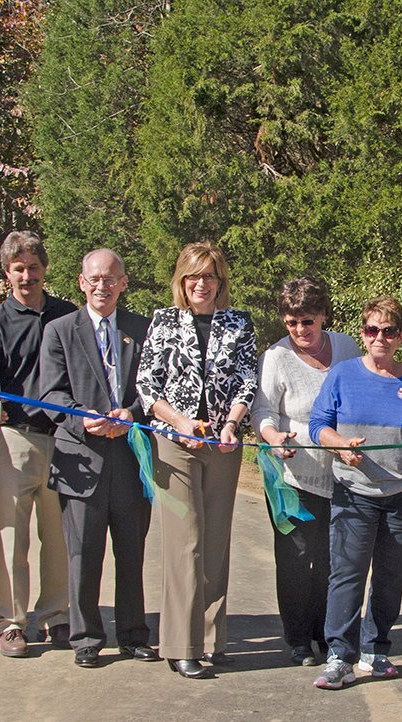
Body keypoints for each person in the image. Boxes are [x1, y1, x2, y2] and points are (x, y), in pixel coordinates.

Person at [309, 296, 402, 690]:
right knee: (347, 574)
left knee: (390, 576)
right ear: (363, 334)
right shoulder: (342, 375)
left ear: (401, 336)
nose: (380, 338)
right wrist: (339, 444)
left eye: (388, 331)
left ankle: (376, 648)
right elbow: (319, 423)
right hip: (355, 492)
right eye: (372, 330)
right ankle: (339, 655)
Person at [136, 241, 258, 679]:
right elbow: (147, 386)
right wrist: (180, 422)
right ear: (182, 282)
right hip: (176, 442)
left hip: (224, 443)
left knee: (215, 543)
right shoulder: (163, 321)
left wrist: (232, 423)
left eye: (209, 276)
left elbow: (248, 378)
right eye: (193, 276)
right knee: (184, 542)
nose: (201, 284)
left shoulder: (238, 322)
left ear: (219, 281)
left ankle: (211, 638)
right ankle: (180, 644)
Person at [39, 249, 156, 669]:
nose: (102, 286)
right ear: (81, 282)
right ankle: (86, 637)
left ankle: (133, 634)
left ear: (124, 283)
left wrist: (134, 413)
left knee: (132, 553)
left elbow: (153, 390)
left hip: (129, 458)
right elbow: (49, 393)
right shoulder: (58, 331)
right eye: (94, 278)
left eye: (110, 278)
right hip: (79, 460)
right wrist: (80, 418)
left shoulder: (143, 329)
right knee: (82, 554)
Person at [0, 231, 77, 657]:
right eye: (19, 269)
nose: (27, 276)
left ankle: (57, 616)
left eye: (34, 267)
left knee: (59, 536)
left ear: (44, 269)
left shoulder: (67, 315)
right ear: (7, 272)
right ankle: (11, 622)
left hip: (64, 439)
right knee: (10, 536)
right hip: (13, 439)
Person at [252, 277, 360, 667]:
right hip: (292, 477)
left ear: (323, 316)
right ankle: (297, 638)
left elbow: (359, 394)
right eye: (292, 322)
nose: (300, 330)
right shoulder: (276, 358)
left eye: (308, 321)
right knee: (297, 559)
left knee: (335, 559)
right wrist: (270, 435)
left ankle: (325, 632)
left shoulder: (347, 347)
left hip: (343, 475)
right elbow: (262, 411)